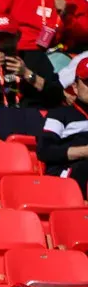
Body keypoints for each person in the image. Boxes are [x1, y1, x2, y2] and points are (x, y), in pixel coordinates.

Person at [0, 16, 64, 139]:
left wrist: (27, 73)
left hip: (34, 114)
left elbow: (56, 94)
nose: (5, 42)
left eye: (8, 37)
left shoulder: (36, 57)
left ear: (18, 36)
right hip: (2, 117)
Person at [38, 57, 88, 195]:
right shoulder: (59, 114)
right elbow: (45, 150)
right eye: (87, 82)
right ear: (75, 87)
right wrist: (84, 151)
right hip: (66, 174)